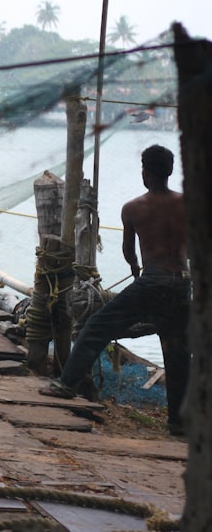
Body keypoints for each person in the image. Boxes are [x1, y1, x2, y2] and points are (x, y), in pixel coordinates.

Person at [39, 145, 190, 435]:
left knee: (97, 326)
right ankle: (178, 422)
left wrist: (136, 269)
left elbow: (129, 252)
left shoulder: (133, 208)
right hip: (181, 284)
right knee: (177, 352)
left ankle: (66, 384)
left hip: (151, 281)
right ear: (170, 171)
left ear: (146, 172)